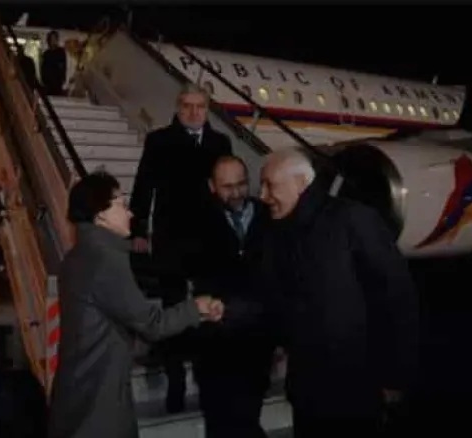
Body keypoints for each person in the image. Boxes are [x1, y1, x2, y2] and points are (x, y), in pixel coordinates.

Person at [48, 171, 224, 438]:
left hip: (78, 391)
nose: (130, 213)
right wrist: (195, 307)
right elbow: (151, 324)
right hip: (99, 402)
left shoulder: (78, 256)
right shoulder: (105, 260)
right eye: (121, 204)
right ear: (100, 214)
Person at [258, 149, 419, 438]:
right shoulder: (278, 233)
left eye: (270, 185)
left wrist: (395, 376)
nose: (263, 196)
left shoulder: (354, 220)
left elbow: (396, 299)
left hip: (356, 391)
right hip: (307, 393)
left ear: (300, 183)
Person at [128, 82, 232, 412]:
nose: (193, 112)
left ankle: (209, 380)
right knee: (173, 310)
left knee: (210, 309)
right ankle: (175, 384)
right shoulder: (159, 141)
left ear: (207, 109)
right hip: (171, 238)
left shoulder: (221, 143)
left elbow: (229, 189)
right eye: (187, 105)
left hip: (210, 241)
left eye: (199, 106)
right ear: (177, 107)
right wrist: (138, 228)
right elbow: (143, 185)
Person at [192, 155, 274, 438]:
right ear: (212, 186)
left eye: (241, 184)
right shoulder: (196, 220)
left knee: (248, 414)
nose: (236, 193)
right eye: (228, 187)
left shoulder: (269, 215)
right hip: (216, 341)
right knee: (221, 420)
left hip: (257, 340)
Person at [40, 30, 67, 96]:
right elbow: (43, 68)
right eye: (51, 39)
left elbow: (63, 67)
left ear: (57, 40)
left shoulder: (61, 52)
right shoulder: (46, 53)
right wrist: (44, 80)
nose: (53, 41)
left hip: (57, 83)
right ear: (49, 40)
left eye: (54, 39)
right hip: (47, 84)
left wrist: (62, 79)